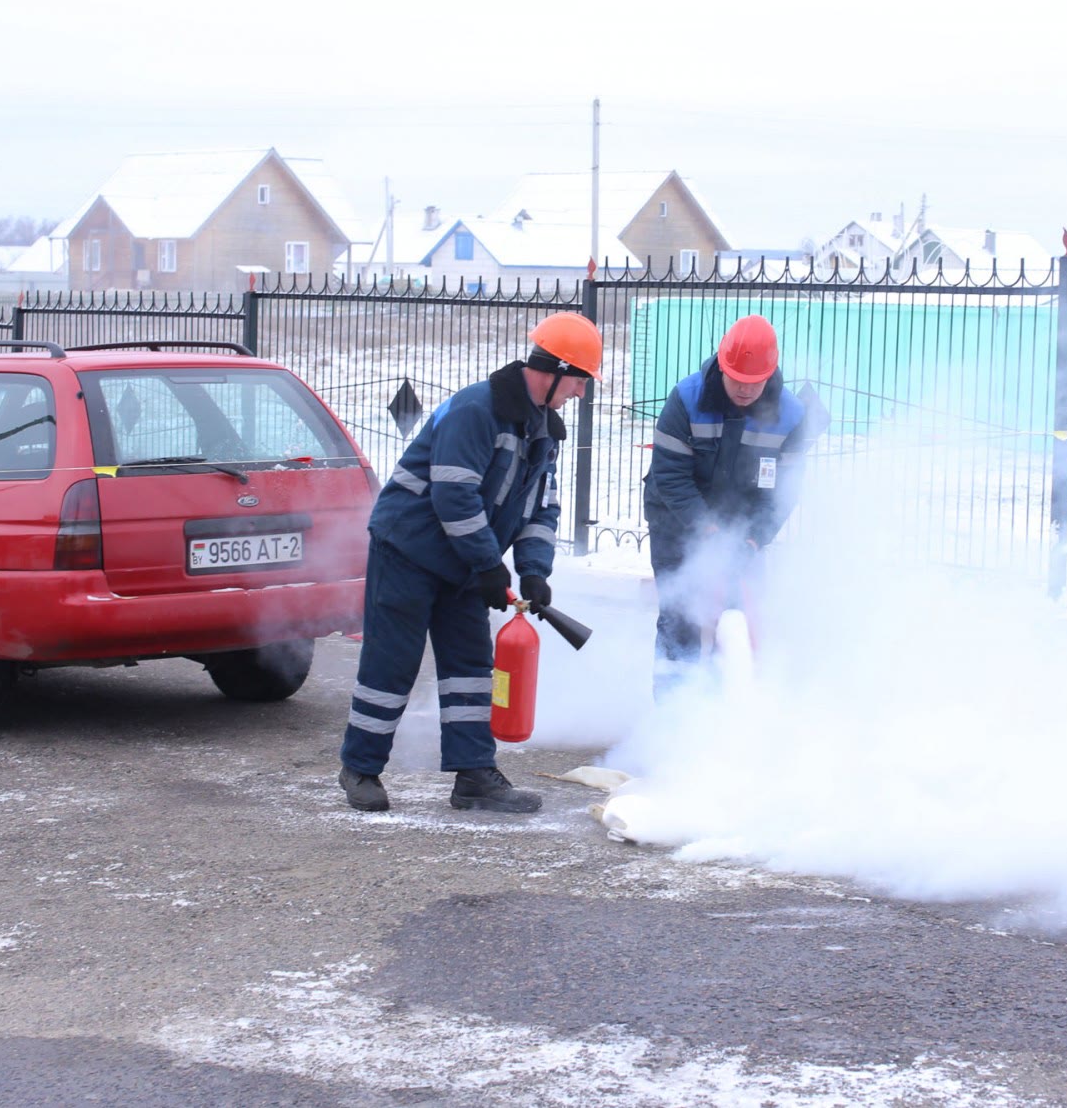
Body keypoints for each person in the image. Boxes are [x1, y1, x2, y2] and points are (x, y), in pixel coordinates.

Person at [337, 310, 601, 814]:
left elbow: (540, 508)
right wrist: (487, 564)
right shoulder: (476, 410)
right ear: (554, 370)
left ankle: (474, 775)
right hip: (408, 551)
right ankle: (361, 767)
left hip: (462, 560)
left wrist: (534, 571)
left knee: (471, 667)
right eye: (581, 380)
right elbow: (454, 497)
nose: (582, 393)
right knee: (393, 663)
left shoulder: (543, 430)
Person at [642, 313, 824, 696]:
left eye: (753, 383)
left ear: (769, 375)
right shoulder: (687, 399)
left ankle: (725, 710)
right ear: (722, 366)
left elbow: (781, 495)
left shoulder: (791, 416)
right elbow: (670, 476)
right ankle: (672, 717)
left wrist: (753, 540)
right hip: (677, 516)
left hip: (743, 525)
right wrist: (709, 530)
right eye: (736, 379)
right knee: (684, 613)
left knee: (743, 612)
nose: (743, 389)